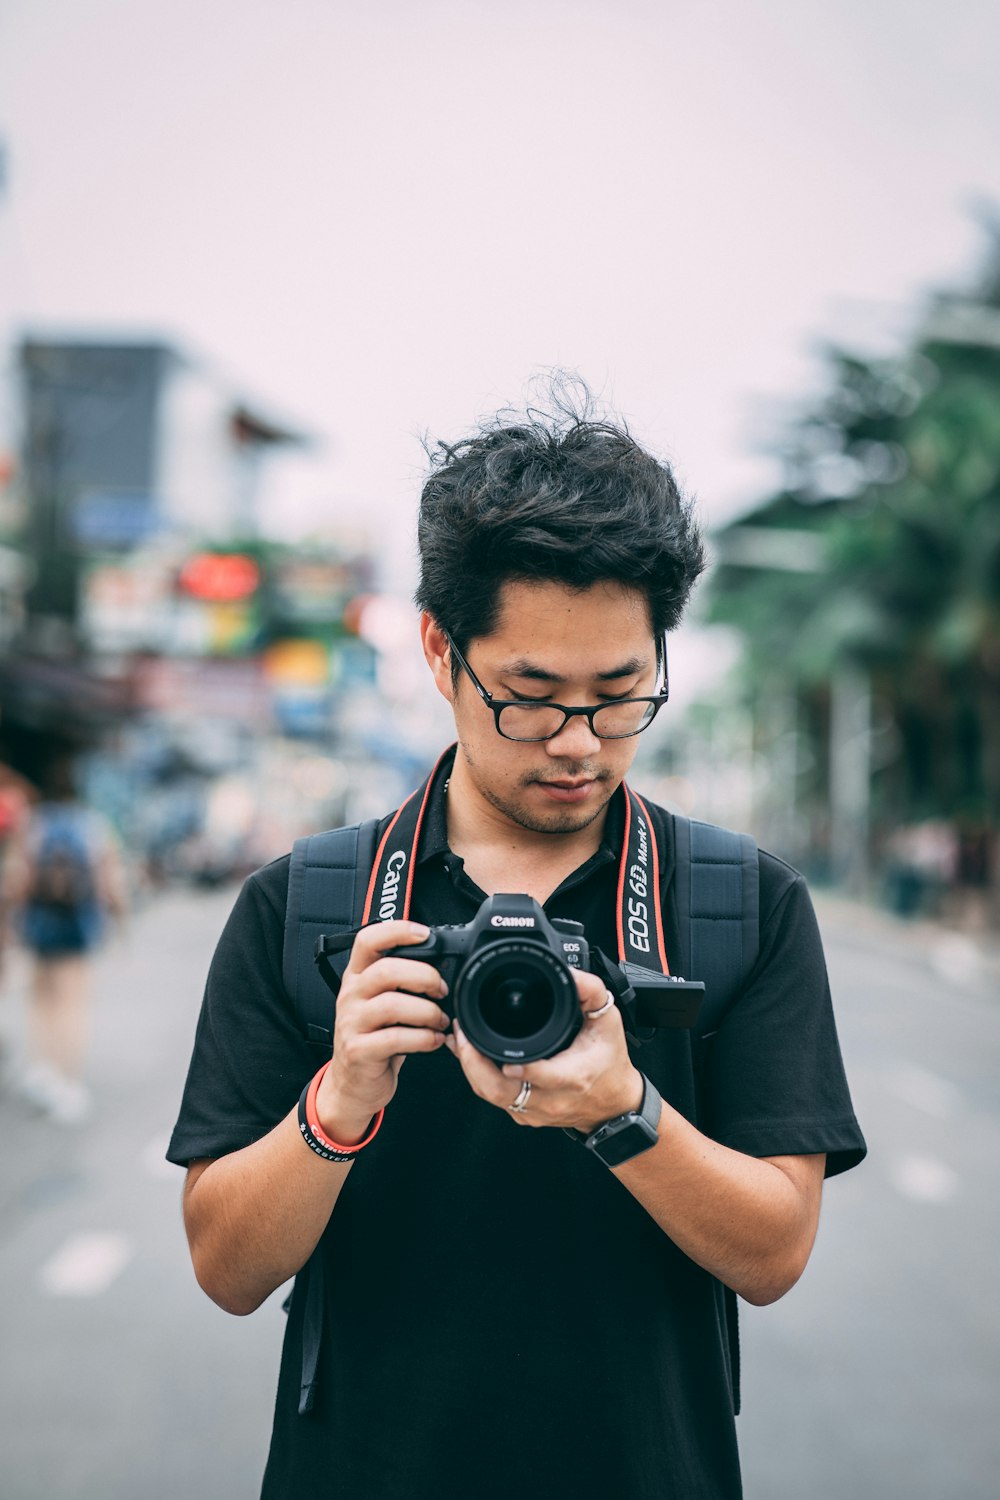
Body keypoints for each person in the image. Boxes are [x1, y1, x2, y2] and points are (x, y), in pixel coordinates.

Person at [168, 386, 866, 1500]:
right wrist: (339, 1101)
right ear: (442, 653)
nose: (580, 743)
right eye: (531, 698)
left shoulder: (742, 904)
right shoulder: (307, 905)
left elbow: (774, 1253)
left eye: (621, 694)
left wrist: (622, 1112)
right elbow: (227, 1269)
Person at [3, 750, 126, 1123]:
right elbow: (110, 882)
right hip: (77, 925)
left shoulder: (36, 823)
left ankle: (43, 1070)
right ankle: (69, 1082)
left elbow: (18, 880)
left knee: (41, 997)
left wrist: (11, 924)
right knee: (72, 1003)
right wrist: (120, 923)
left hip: (41, 924)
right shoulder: (93, 825)